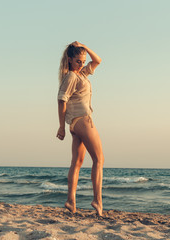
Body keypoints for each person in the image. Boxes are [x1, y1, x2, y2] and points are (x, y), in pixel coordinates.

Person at [56, 41, 104, 216]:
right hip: (82, 121)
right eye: (78, 61)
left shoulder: (82, 74)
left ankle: (70, 201)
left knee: (76, 163)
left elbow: (97, 60)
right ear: (69, 60)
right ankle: (97, 200)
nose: (82, 64)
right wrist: (61, 127)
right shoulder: (71, 77)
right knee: (99, 160)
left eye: (83, 61)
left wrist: (84, 46)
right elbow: (61, 101)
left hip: (76, 125)